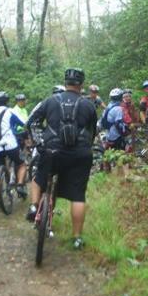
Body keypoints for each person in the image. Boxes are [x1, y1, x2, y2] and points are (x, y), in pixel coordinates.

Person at [26, 68, 98, 250]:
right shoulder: (89, 105)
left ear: (65, 82)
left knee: (39, 178)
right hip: (80, 154)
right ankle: (76, 238)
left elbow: (32, 122)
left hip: (52, 151)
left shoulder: (50, 101)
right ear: (81, 85)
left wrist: (39, 141)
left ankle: (34, 207)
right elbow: (92, 132)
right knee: (78, 195)